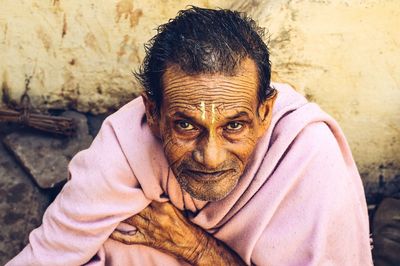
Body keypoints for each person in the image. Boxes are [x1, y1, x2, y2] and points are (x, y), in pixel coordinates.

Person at [7, 6, 373, 266]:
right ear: (152, 113)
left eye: (234, 126)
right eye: (186, 126)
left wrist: (195, 247)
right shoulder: (126, 144)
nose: (210, 156)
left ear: (264, 114)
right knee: (114, 242)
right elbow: (48, 254)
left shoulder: (309, 156)